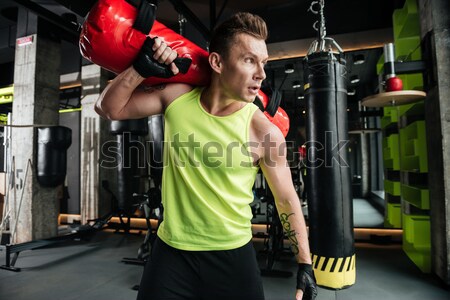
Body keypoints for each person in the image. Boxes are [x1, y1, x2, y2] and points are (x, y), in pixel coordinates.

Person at [95, 12, 317, 300]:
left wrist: (305, 264)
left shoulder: (264, 132)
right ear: (216, 62)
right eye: (249, 60)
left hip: (233, 257)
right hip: (171, 254)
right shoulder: (176, 99)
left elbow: (286, 199)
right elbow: (108, 108)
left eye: (263, 63)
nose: (261, 74)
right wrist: (140, 69)